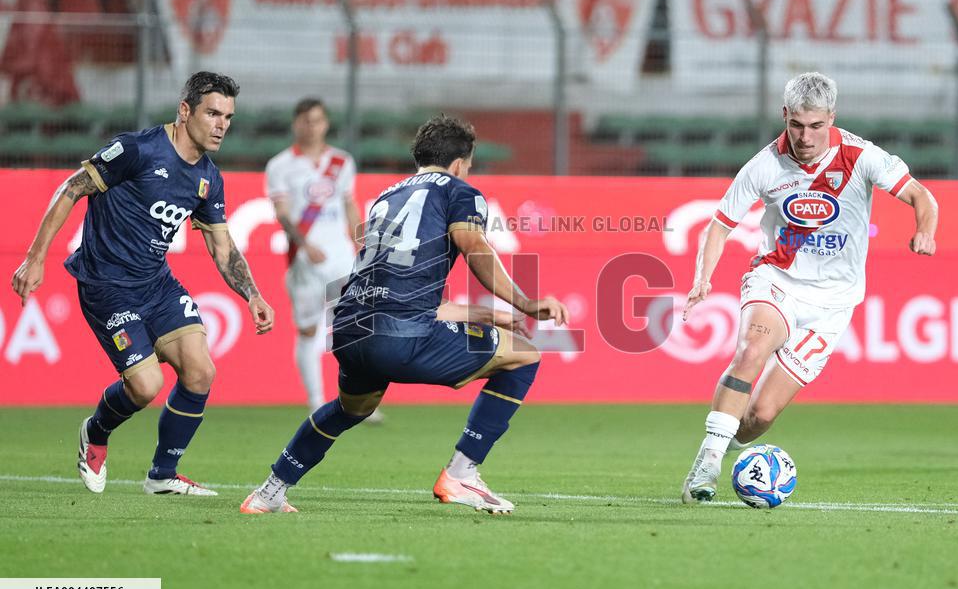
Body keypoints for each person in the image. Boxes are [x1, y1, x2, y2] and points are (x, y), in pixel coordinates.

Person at [240, 115, 569, 515]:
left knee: (350, 409)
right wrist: (524, 302)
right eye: (468, 165)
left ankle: (269, 492)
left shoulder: (387, 197)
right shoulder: (460, 192)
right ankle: (462, 474)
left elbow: (400, 291)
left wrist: (483, 314)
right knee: (524, 355)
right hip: (398, 337)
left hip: (349, 329)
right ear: (460, 163)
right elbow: (475, 247)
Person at [11, 71, 274, 496]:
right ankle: (96, 432)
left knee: (200, 371)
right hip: (107, 284)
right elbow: (71, 188)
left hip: (156, 284)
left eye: (228, 117)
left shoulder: (208, 178)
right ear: (185, 110)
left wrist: (253, 294)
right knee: (146, 385)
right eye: (212, 113)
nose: (221, 125)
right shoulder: (137, 150)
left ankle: (162, 475)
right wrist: (35, 257)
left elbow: (222, 247)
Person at [680, 72, 938, 503]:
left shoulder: (861, 156)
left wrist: (925, 230)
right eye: (796, 125)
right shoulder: (765, 164)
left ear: (831, 118)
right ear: (785, 115)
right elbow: (720, 225)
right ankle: (707, 461)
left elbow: (922, 196)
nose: (805, 137)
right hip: (777, 280)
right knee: (750, 350)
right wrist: (701, 278)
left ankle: (724, 446)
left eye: (816, 126)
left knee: (761, 416)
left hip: (833, 304)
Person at [264, 98, 382, 422]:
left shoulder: (342, 161)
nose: (311, 126)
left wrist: (362, 243)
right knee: (307, 330)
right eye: (305, 120)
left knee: (354, 327)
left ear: (326, 123)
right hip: (304, 260)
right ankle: (316, 402)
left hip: (340, 256)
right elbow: (282, 213)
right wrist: (304, 244)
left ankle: (359, 402)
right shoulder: (280, 165)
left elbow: (349, 204)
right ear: (295, 124)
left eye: (317, 120)